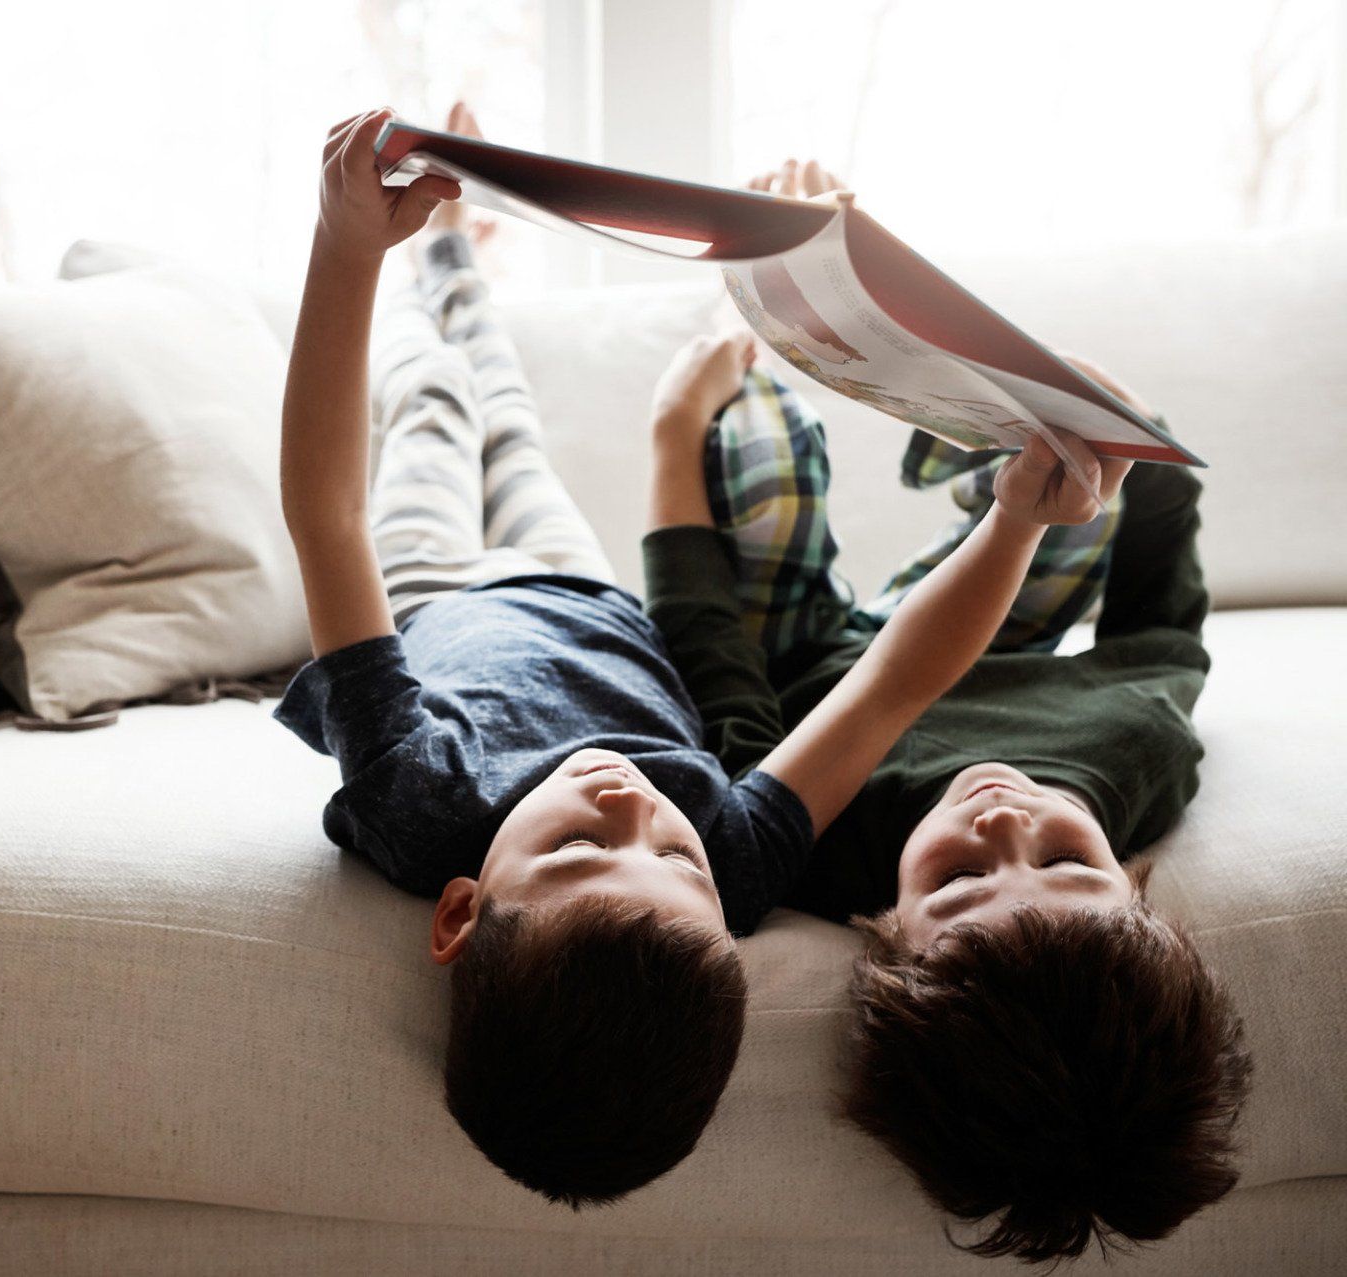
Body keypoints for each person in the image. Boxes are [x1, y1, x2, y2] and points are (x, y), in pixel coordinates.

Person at [273, 106, 1116, 1206]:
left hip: (431, 587)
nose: (631, 806)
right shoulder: (738, 857)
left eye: (578, 847)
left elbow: (327, 518)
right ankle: (460, 264)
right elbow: (891, 687)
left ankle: (431, 265)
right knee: (512, 412)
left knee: (435, 407)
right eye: (673, 862)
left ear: (461, 909)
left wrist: (344, 248)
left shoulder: (418, 802)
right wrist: (1013, 525)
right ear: (721, 915)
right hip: (585, 586)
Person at [647, 156, 1252, 1263]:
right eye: (1069, 860)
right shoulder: (1138, 751)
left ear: (879, 932)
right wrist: (1139, 451)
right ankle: (961, 418)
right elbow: (1162, 631)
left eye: (957, 880)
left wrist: (672, 436)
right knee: (1087, 486)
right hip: (993, 619)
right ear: (1132, 884)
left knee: (763, 464)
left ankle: (756, 309)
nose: (1001, 817)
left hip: (809, 663)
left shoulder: (812, 849)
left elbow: (713, 669)